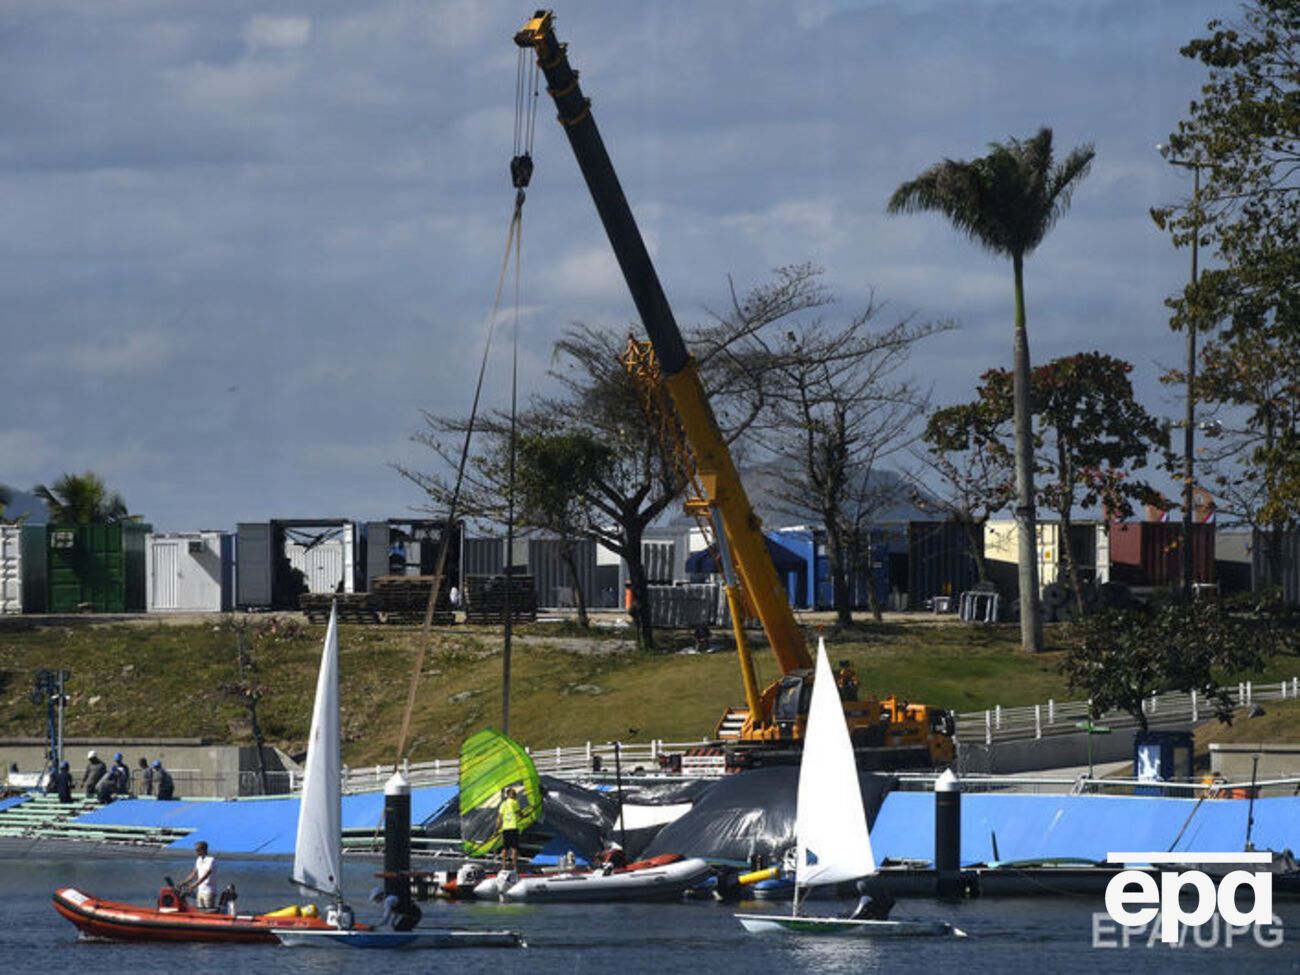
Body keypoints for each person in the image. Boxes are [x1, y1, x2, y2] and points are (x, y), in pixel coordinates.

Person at [180, 841, 217, 910]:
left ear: (203, 850)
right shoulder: (198, 860)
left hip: (209, 891)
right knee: (200, 910)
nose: (196, 851)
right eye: (195, 850)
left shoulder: (211, 860)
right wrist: (183, 883)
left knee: (208, 911)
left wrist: (194, 885)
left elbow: (205, 876)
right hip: (200, 891)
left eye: (197, 850)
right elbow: (193, 874)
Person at [495, 787, 522, 874]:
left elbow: (499, 818)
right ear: (511, 795)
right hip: (513, 827)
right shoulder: (515, 802)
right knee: (514, 848)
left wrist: (497, 828)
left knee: (505, 847)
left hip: (505, 828)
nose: (515, 795)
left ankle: (503, 866)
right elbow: (519, 814)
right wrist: (523, 815)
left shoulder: (503, 804)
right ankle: (515, 867)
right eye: (514, 794)